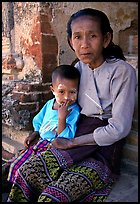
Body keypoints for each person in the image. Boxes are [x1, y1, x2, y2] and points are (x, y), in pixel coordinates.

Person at [7, 8, 137, 202]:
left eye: (92, 35)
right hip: (76, 129)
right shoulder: (78, 68)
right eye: (77, 37)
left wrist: (71, 142)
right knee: (27, 171)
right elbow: (60, 102)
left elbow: (119, 128)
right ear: (70, 42)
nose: (84, 44)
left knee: (54, 195)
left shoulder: (122, 72)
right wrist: (39, 130)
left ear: (106, 38)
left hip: (102, 145)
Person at [7, 64, 81, 183]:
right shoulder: (49, 104)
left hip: (53, 148)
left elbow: (66, 137)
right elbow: (38, 121)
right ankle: (12, 183)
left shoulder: (74, 111)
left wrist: (62, 118)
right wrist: (35, 133)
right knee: (16, 164)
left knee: (29, 171)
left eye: (72, 92)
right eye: (61, 91)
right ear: (53, 90)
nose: (67, 97)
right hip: (39, 142)